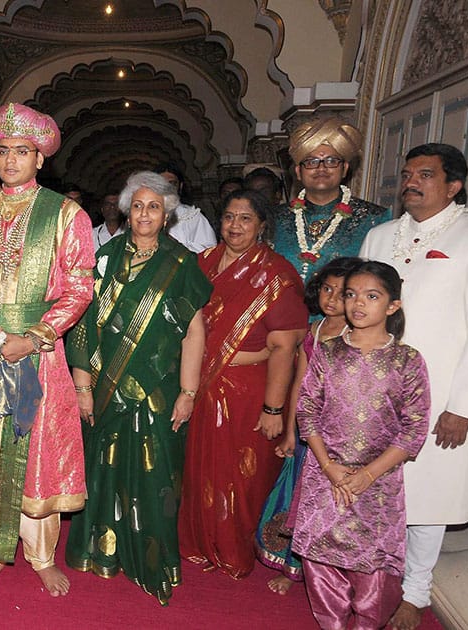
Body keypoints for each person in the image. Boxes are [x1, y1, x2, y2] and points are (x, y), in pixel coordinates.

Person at [0, 102, 95, 596]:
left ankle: (42, 553)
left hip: (34, 351)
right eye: (3, 151)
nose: (10, 160)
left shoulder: (66, 214)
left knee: (34, 453)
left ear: (40, 157)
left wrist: (34, 337)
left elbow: (79, 287)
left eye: (22, 151)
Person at [359, 143, 468, 630]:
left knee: (425, 496)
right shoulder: (381, 236)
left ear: (453, 186)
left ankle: (415, 592)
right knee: (369, 487)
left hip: (439, 392)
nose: (411, 182)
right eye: (407, 173)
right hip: (370, 390)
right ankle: (369, 575)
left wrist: (464, 406)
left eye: (425, 174)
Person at [65, 172, 211, 605]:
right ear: (126, 211)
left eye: (154, 207)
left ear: (167, 215)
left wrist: (188, 393)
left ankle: (152, 557)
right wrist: (82, 385)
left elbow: (194, 333)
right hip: (107, 389)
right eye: (138, 205)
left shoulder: (182, 265)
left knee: (157, 474)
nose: (145, 213)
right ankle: (101, 553)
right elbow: (84, 327)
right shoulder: (104, 258)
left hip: (159, 391)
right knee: (103, 470)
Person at [293, 261, 430, 630]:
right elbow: (307, 410)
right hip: (327, 473)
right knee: (322, 560)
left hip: (379, 480)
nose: (357, 304)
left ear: (392, 306)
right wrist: (327, 466)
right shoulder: (328, 351)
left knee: (373, 564)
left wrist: (368, 475)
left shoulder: (407, 360)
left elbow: (414, 429)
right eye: (350, 294)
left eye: (371, 296)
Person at [178, 189, 308, 579]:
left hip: (249, 388)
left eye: (245, 219)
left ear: (262, 226)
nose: (235, 226)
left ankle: (234, 548)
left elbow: (285, 347)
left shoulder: (276, 275)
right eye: (229, 217)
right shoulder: (202, 264)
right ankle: (198, 543)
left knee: (243, 475)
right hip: (199, 383)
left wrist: (274, 409)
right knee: (197, 469)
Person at [255, 256, 361, 595]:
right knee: (295, 496)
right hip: (306, 430)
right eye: (327, 289)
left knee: (326, 503)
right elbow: (299, 382)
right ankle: (292, 565)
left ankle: (328, 573)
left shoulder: (355, 335)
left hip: (337, 436)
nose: (332, 299)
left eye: (342, 292)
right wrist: (290, 430)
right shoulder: (315, 328)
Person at [272, 118, 389, 280]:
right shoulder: (273, 218)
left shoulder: (375, 219)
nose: (322, 168)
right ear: (299, 172)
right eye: (312, 162)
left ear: (344, 169)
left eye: (331, 161)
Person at [156, 162, 216, 253]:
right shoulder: (143, 215)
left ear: (180, 186)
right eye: (161, 184)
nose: (166, 188)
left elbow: (209, 251)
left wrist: (175, 246)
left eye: (171, 184)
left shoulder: (193, 216)